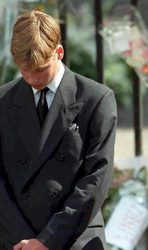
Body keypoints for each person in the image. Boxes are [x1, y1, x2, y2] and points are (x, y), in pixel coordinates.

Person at [0, 9, 117, 250]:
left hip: (74, 238)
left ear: (59, 52)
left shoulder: (96, 99)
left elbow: (96, 178)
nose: (32, 78)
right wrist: (23, 241)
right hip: (15, 241)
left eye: (41, 69)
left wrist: (47, 240)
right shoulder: (3, 101)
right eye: (24, 70)